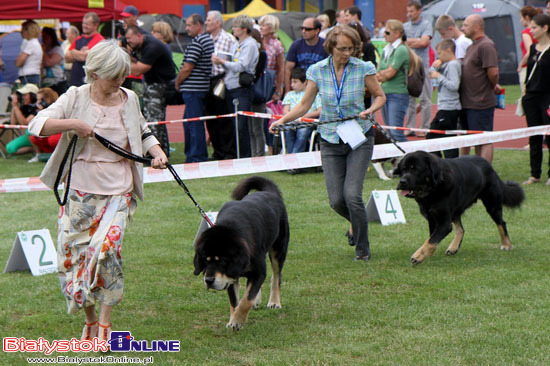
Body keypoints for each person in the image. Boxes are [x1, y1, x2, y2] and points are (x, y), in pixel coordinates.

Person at [28, 39, 168, 343]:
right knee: (73, 260)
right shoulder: (75, 96)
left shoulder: (130, 97)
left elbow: (142, 131)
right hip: (79, 191)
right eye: (114, 76)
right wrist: (74, 124)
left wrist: (156, 152)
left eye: (123, 75)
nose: (120, 82)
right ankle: (89, 319)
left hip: (119, 191)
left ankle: (105, 323)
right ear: (95, 72)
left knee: (107, 253)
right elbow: (37, 125)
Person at [270, 25, 386, 261]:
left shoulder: (363, 68)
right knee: (336, 201)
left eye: (351, 48)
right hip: (330, 138)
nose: (347, 53)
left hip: (359, 136)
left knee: (352, 195)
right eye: (342, 48)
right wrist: (281, 121)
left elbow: (380, 95)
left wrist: (371, 110)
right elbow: (303, 106)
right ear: (331, 47)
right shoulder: (317, 71)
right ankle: (356, 223)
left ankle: (362, 249)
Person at [212, 15, 259, 158]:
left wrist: (222, 62)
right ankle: (239, 155)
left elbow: (241, 65)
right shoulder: (236, 43)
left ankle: (245, 157)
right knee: (235, 125)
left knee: (241, 126)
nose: (233, 29)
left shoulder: (250, 44)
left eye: (236, 26)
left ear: (244, 29)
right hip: (231, 86)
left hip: (241, 89)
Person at [125, 25, 176, 157]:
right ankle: (163, 152)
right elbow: (137, 62)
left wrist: (121, 61)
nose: (128, 41)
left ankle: (154, 155)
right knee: (153, 119)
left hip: (159, 86)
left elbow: (138, 70)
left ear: (139, 36)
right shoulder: (141, 45)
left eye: (130, 39)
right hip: (152, 84)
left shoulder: (152, 46)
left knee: (154, 121)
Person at [460, 14, 500, 163]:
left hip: (481, 101)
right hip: (469, 101)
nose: (462, 28)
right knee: (475, 138)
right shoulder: (472, 46)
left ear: (477, 27)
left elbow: (493, 72)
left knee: (484, 138)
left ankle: (485, 172)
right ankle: (478, 170)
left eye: (466, 25)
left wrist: (490, 86)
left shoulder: (486, 45)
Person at [175, 14, 214, 163]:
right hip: (199, 87)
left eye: (190, 25)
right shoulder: (207, 40)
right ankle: (193, 154)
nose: (187, 28)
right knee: (190, 122)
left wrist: (177, 82)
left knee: (194, 123)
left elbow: (187, 67)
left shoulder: (199, 41)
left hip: (194, 89)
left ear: (199, 25)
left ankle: (196, 156)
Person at [377, 19, 419, 143]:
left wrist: (383, 74)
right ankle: (398, 160)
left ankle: (409, 158)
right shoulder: (387, 49)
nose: (384, 35)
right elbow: (378, 73)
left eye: (387, 33)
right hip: (385, 94)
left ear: (397, 34)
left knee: (396, 132)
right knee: (390, 132)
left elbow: (390, 73)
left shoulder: (401, 50)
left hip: (397, 94)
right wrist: (384, 74)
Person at [204, 10, 237, 161]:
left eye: (209, 20)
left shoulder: (229, 39)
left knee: (224, 118)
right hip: (207, 80)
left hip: (222, 80)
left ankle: (228, 152)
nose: (206, 23)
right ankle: (217, 151)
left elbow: (235, 61)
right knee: (210, 118)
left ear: (218, 22)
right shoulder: (205, 39)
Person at [521, 14, 550, 185]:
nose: (531, 31)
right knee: (534, 135)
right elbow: (528, 71)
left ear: (545, 28)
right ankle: (535, 174)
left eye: (534, 27)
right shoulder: (532, 48)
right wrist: (525, 89)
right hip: (531, 97)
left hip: (547, 97)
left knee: (549, 136)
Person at [426, 39, 461, 159]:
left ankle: (444, 163)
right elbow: (430, 73)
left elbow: (454, 85)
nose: (438, 57)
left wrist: (439, 77)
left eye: (440, 54)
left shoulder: (453, 65)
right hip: (445, 107)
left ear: (448, 50)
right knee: (445, 138)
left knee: (433, 136)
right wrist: (435, 66)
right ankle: (446, 162)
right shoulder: (446, 64)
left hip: (449, 108)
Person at [403, 0, 433, 137]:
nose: (409, 14)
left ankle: (425, 127)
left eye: (412, 11)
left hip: (422, 66)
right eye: (408, 11)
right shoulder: (404, 26)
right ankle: (410, 127)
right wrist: (417, 41)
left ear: (419, 11)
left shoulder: (426, 25)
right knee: (409, 98)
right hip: (409, 66)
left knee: (425, 98)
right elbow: (403, 43)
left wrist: (412, 42)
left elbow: (424, 42)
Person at [281, 67, 321, 158]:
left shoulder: (314, 94)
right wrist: (293, 117)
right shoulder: (289, 95)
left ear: (305, 82)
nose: (292, 85)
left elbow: (319, 110)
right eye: (291, 82)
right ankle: (293, 159)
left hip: (308, 123)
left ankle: (293, 160)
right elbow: (285, 110)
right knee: (288, 131)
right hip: (292, 122)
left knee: (302, 132)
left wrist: (304, 116)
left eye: (295, 82)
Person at [284, 17, 328, 98]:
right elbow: (288, 69)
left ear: (317, 31)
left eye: (307, 29)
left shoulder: (325, 46)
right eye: (302, 28)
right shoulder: (296, 45)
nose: (303, 31)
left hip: (319, 89)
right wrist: (287, 91)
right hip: (299, 88)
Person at [66, 12, 104, 87]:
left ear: (96, 25)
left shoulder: (100, 40)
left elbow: (85, 56)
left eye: (87, 24)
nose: (84, 26)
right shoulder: (78, 39)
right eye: (83, 23)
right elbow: (67, 57)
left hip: (89, 82)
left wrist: (73, 51)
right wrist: (80, 53)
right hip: (74, 81)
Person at [5, 83, 39, 159]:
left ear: (33, 96)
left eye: (25, 95)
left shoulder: (38, 107)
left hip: (38, 136)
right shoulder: (24, 107)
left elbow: (24, 123)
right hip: (28, 137)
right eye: (22, 95)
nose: (22, 97)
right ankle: (33, 149)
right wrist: (14, 106)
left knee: (28, 131)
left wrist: (16, 107)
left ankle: (39, 152)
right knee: (10, 148)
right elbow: (13, 124)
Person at [28, 87, 62, 161]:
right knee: (35, 137)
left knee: (52, 140)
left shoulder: (58, 106)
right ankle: (41, 155)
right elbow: (29, 123)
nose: (38, 103)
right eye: (37, 100)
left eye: (41, 100)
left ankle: (59, 155)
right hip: (49, 133)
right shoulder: (42, 109)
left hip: (60, 132)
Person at [259, 14, 284, 103]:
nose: (261, 27)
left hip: (270, 83)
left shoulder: (276, 44)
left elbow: (281, 68)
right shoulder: (257, 41)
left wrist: (278, 90)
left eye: (264, 25)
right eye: (260, 25)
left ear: (272, 27)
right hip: (257, 81)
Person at [517, 6, 541, 92]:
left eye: (521, 17)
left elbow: (530, 51)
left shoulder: (526, 32)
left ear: (526, 17)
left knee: (525, 94)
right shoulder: (541, 31)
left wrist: (520, 65)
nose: (520, 20)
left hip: (528, 66)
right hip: (539, 65)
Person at [15, 20, 43, 86]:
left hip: (29, 77)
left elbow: (18, 63)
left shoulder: (31, 44)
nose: (21, 32)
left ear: (29, 31)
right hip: (33, 75)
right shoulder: (35, 43)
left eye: (22, 30)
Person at [41, 27, 67, 95]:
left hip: (57, 82)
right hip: (45, 81)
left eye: (46, 37)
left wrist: (44, 50)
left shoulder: (57, 49)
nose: (44, 39)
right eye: (43, 37)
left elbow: (49, 62)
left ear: (51, 37)